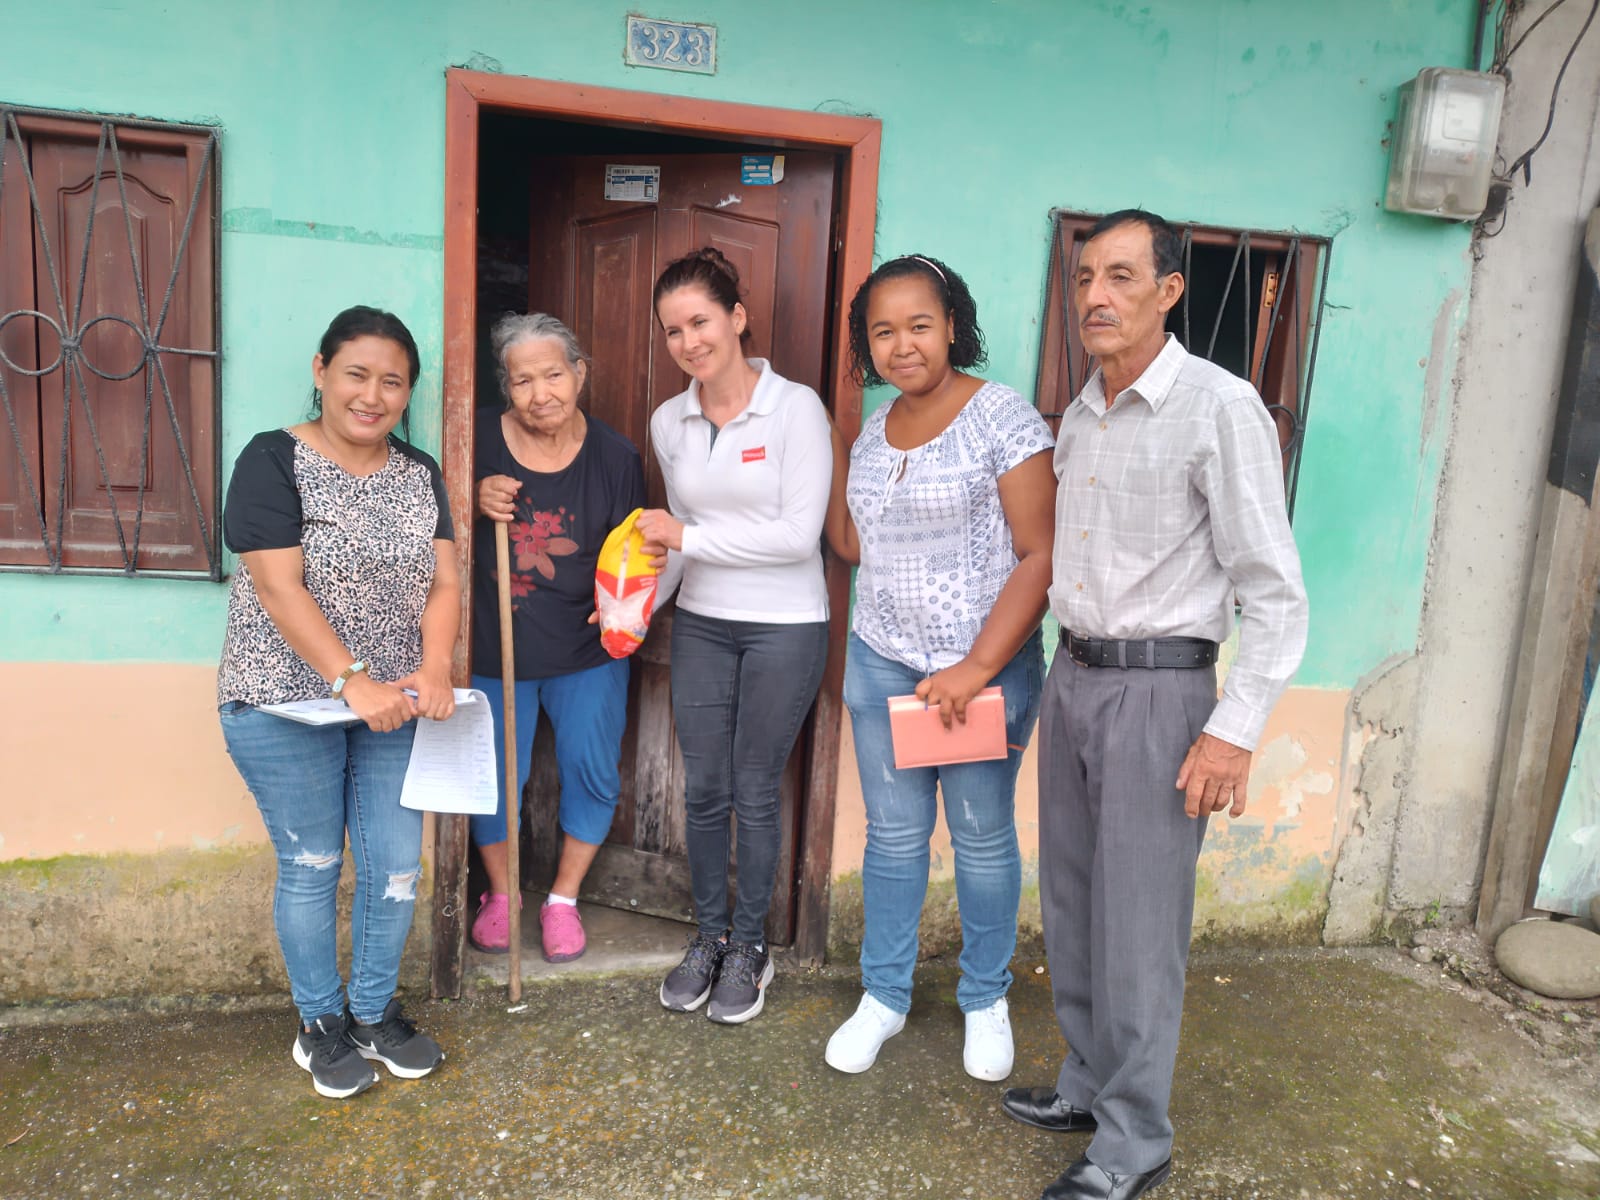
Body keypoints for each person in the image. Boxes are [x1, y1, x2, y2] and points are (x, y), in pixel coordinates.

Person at [1004, 210, 1308, 1200]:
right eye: (1085, 276)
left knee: (1138, 926)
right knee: (1072, 901)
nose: (1096, 296)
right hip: (1076, 674)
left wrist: (1233, 731)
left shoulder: (1219, 407)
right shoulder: (1081, 412)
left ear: (1169, 291)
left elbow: (1274, 592)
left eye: (1122, 277)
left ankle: (1133, 1143)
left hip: (1161, 690)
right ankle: (1087, 1085)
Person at [819, 254, 1056, 1081]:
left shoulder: (1001, 417)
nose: (903, 345)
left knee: (982, 838)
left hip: (977, 672)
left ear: (953, 325)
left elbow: (1040, 554)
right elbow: (859, 546)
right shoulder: (873, 433)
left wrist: (977, 666)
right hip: (885, 659)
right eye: (883, 331)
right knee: (893, 838)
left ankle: (984, 996)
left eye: (920, 325)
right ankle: (883, 995)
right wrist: (826, 455)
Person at [217, 306, 458, 1100]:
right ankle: (319, 1023)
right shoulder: (272, 459)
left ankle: (373, 1014)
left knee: (396, 865)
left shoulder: (419, 472)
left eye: (393, 381)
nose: (372, 395)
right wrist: (351, 679)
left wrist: (433, 667)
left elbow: (444, 582)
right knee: (313, 864)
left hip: (392, 707)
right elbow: (277, 586)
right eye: (357, 374)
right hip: (283, 704)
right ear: (321, 371)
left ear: (408, 392)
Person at [637, 247, 832, 1025]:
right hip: (703, 623)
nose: (689, 341)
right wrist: (635, 609)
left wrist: (684, 537)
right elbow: (680, 546)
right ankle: (710, 936)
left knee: (754, 789)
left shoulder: (795, 409)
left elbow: (796, 537)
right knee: (705, 789)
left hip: (786, 625)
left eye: (701, 322)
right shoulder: (669, 421)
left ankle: (751, 947)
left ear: (737, 318)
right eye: (673, 330)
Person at [468, 313, 646, 963]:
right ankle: (502, 893)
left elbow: (632, 549)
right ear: (506, 387)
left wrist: (622, 609)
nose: (540, 393)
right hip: (494, 648)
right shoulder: (475, 437)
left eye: (552, 375)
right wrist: (470, 493)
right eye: (523, 381)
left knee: (591, 770)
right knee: (491, 777)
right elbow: (430, 522)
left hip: (585, 650)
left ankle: (563, 900)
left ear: (579, 373)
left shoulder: (616, 457)